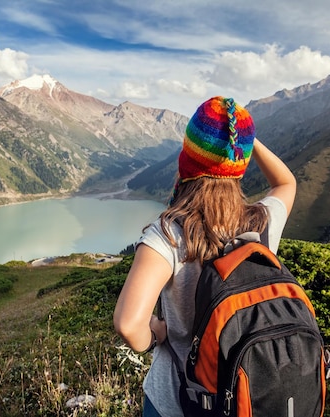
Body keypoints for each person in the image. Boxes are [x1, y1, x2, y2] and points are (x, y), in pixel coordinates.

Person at [113, 96, 297, 417]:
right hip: (244, 397)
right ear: (240, 164)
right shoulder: (264, 222)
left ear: (188, 157)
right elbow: (285, 181)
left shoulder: (169, 234)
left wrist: (156, 333)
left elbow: (129, 325)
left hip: (176, 402)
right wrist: (241, 140)